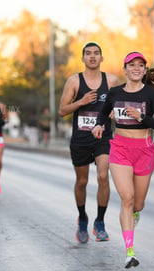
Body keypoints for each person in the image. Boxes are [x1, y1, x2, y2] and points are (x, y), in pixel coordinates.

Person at [92, 52, 154, 268]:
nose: (136, 68)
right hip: (120, 149)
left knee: (137, 203)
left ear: (144, 71)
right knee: (126, 198)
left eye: (140, 65)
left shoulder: (151, 94)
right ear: (125, 69)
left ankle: (135, 212)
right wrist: (99, 125)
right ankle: (129, 252)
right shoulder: (115, 92)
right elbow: (103, 112)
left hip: (144, 150)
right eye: (131, 65)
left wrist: (141, 117)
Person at [58, 42, 120, 244]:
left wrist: (113, 113)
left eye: (96, 54)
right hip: (81, 138)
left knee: (103, 177)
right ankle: (82, 217)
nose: (92, 57)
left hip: (103, 137)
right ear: (83, 58)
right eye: (88, 54)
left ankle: (100, 222)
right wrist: (81, 102)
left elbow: (119, 108)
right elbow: (62, 110)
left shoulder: (111, 80)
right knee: (82, 181)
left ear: (101, 58)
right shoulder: (74, 81)